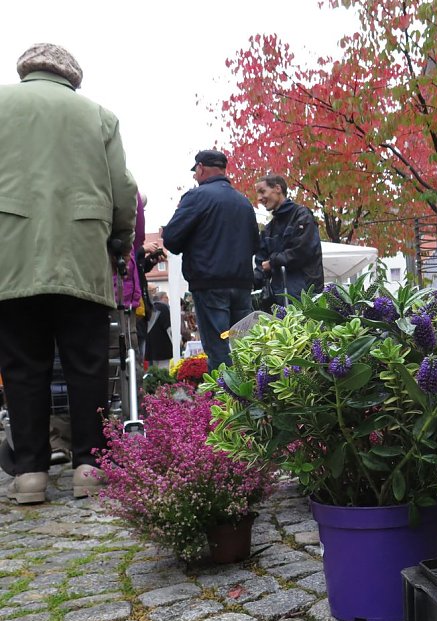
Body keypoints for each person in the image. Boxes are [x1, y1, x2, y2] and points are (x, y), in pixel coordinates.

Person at [0, 43, 137, 503]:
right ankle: (89, 466)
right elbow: (123, 188)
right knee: (87, 365)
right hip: (81, 251)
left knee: (22, 367)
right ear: (71, 77)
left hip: (12, 253)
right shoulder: (98, 115)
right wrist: (121, 238)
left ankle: (30, 475)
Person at [162, 150, 259, 372]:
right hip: (242, 283)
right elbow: (255, 244)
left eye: (195, 172)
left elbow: (171, 239)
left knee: (218, 347)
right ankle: (252, 396)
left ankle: (226, 401)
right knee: (243, 346)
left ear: (201, 168)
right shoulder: (244, 203)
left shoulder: (197, 197)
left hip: (210, 283)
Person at [254, 174, 324, 307]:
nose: (259, 198)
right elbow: (260, 264)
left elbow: (302, 252)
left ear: (277, 188)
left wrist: (273, 261)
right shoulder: (268, 229)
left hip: (307, 298)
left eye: (262, 191)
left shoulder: (302, 216)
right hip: (279, 300)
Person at [145, 292, 173, 370]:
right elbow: (168, 327)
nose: (168, 299)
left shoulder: (151, 307)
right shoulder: (164, 308)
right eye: (166, 297)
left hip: (150, 344)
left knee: (154, 369)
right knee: (164, 368)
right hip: (163, 344)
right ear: (161, 298)